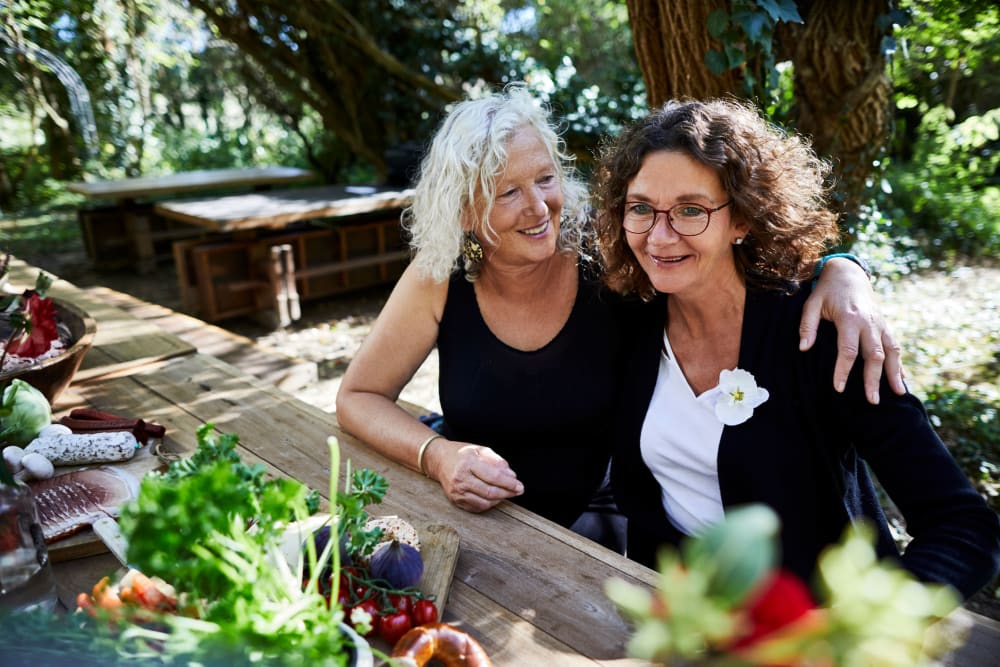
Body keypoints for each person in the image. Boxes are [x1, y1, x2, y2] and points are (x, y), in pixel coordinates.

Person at [335, 85, 898, 551]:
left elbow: (735, 256)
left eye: (546, 178)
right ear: (464, 209)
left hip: (603, 519)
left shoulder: (607, 255)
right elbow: (357, 396)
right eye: (508, 192)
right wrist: (438, 454)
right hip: (476, 513)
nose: (539, 208)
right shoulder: (441, 276)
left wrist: (843, 268)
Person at [592, 97, 1000, 598]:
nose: (659, 235)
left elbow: (964, 527)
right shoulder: (629, 315)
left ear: (742, 218)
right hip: (676, 615)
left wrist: (856, 634)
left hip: (809, 629)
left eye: (691, 210)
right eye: (640, 208)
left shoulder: (821, 336)